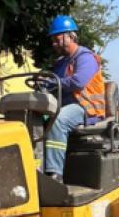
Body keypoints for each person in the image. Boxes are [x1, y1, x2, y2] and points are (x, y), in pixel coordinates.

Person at [43, 14, 105, 182]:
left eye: (57, 39)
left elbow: (78, 82)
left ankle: (54, 175)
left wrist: (52, 83)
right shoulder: (61, 63)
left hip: (85, 108)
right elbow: (53, 84)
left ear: (70, 36)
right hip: (64, 105)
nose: (54, 43)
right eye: (53, 40)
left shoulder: (86, 58)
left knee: (58, 121)